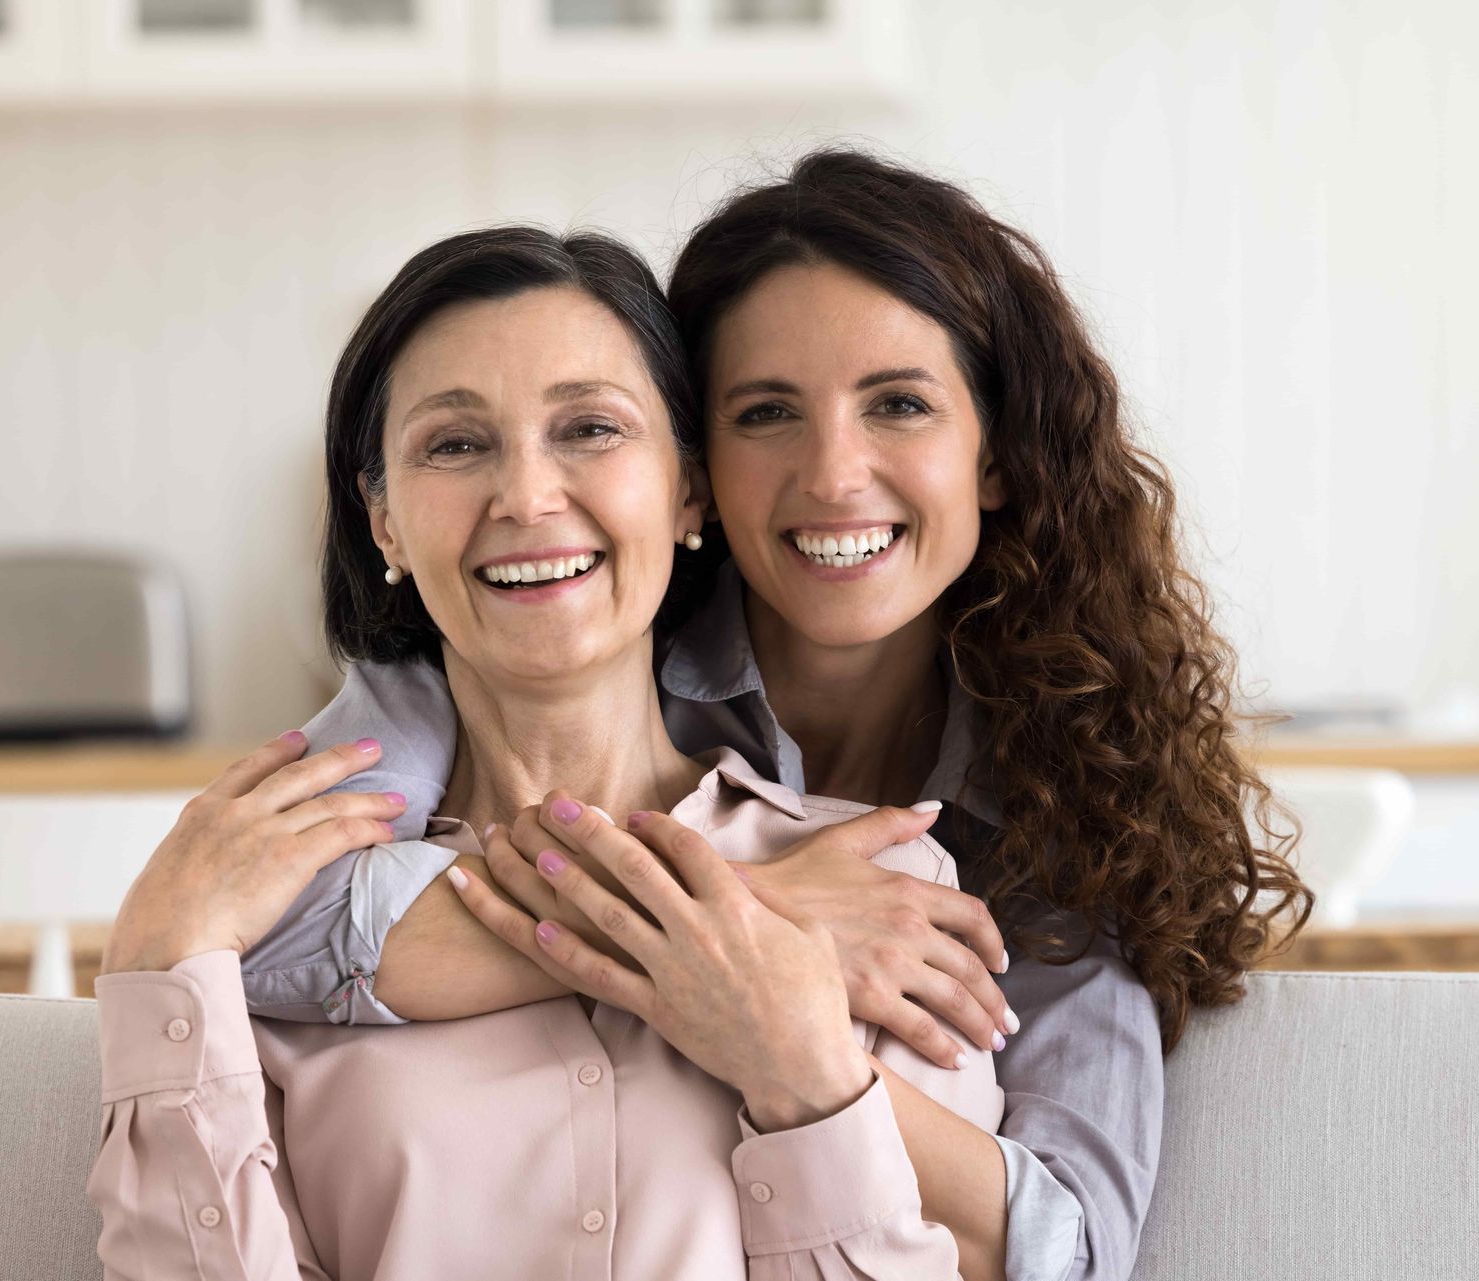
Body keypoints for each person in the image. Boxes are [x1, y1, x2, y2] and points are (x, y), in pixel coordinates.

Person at [242, 150, 1315, 1281]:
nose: (835, 474)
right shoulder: (568, 637)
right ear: (693, 466)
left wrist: (762, 1018)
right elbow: (263, 932)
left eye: (899, 404)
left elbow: (1066, 1245)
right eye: (766, 414)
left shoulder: (1070, 787)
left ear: (997, 453)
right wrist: (759, 914)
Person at [89, 227, 1002, 1280]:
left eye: (589, 429)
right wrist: (160, 962)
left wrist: (802, 1082)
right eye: (455, 444)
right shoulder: (261, 917)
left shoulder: (884, 895)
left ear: (689, 492)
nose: (525, 496)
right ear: (381, 521)